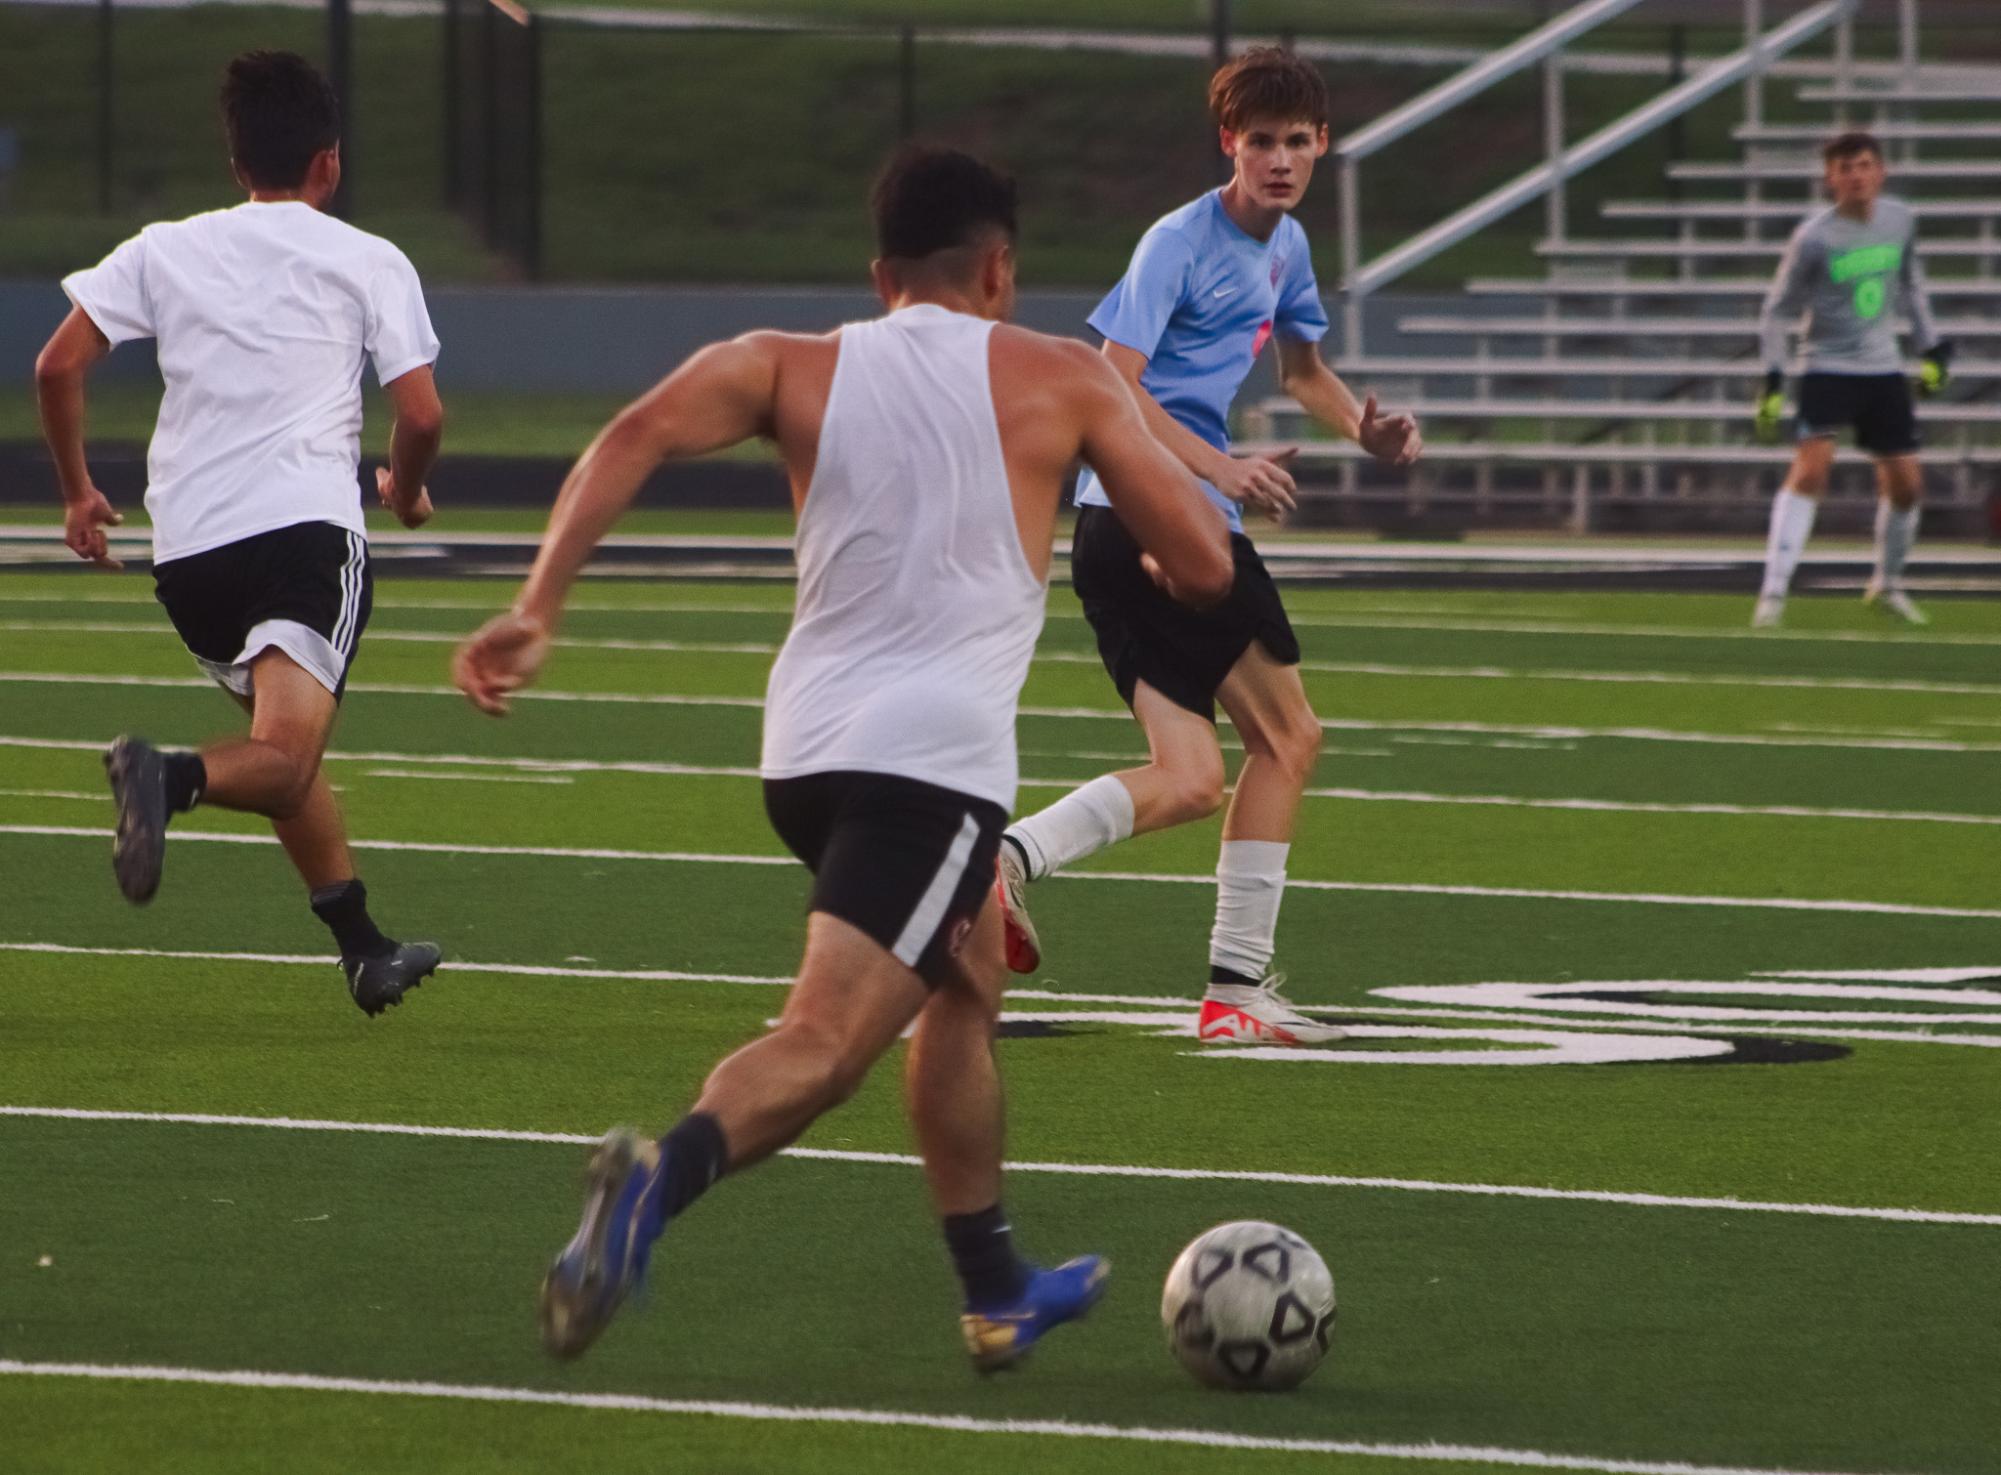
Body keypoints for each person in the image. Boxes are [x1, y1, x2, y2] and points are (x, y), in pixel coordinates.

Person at [452, 147, 1232, 1370]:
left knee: (970, 975)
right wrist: (1138, 522)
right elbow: (1203, 564)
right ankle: (655, 1181)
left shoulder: (790, 361)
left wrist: (538, 604)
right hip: (932, 768)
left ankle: (995, 1288)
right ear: (1000, 269)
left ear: (881, 276)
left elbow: (635, 432)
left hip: (805, 752)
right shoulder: (1061, 377)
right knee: (824, 1048)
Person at [993, 47, 1422, 1046]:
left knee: (1189, 776)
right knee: (1289, 736)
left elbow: (1303, 368)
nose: (1279, 159)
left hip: (1128, 529)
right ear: (1229, 143)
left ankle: (1003, 862)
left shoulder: (1288, 246)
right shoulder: (1177, 241)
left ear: (1322, 146)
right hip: (1157, 519)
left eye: (1297, 141)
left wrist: (1365, 427)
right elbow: (1113, 382)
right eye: (1261, 141)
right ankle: (1235, 993)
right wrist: (1218, 471)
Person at [34, 50, 445, 1016]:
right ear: (329, 164)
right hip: (302, 530)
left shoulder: (166, 246)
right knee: (284, 757)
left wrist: (79, 494)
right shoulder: (369, 258)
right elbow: (421, 418)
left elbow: (57, 367)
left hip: (189, 558)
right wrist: (408, 491)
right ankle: (165, 775)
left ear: (235, 163)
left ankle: (362, 946)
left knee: (278, 745)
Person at [1753, 130, 1952, 629]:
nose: (1856, 176)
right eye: (1845, 169)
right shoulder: (1814, 237)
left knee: (1907, 485)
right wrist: (1774, 378)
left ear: (1880, 171)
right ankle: (1773, 592)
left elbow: (1911, 286)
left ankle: (1886, 584)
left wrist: (1932, 348)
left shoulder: (1900, 220)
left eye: (1864, 165)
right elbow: (1777, 311)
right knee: (1812, 469)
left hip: (1883, 367)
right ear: (1830, 179)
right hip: (1827, 365)